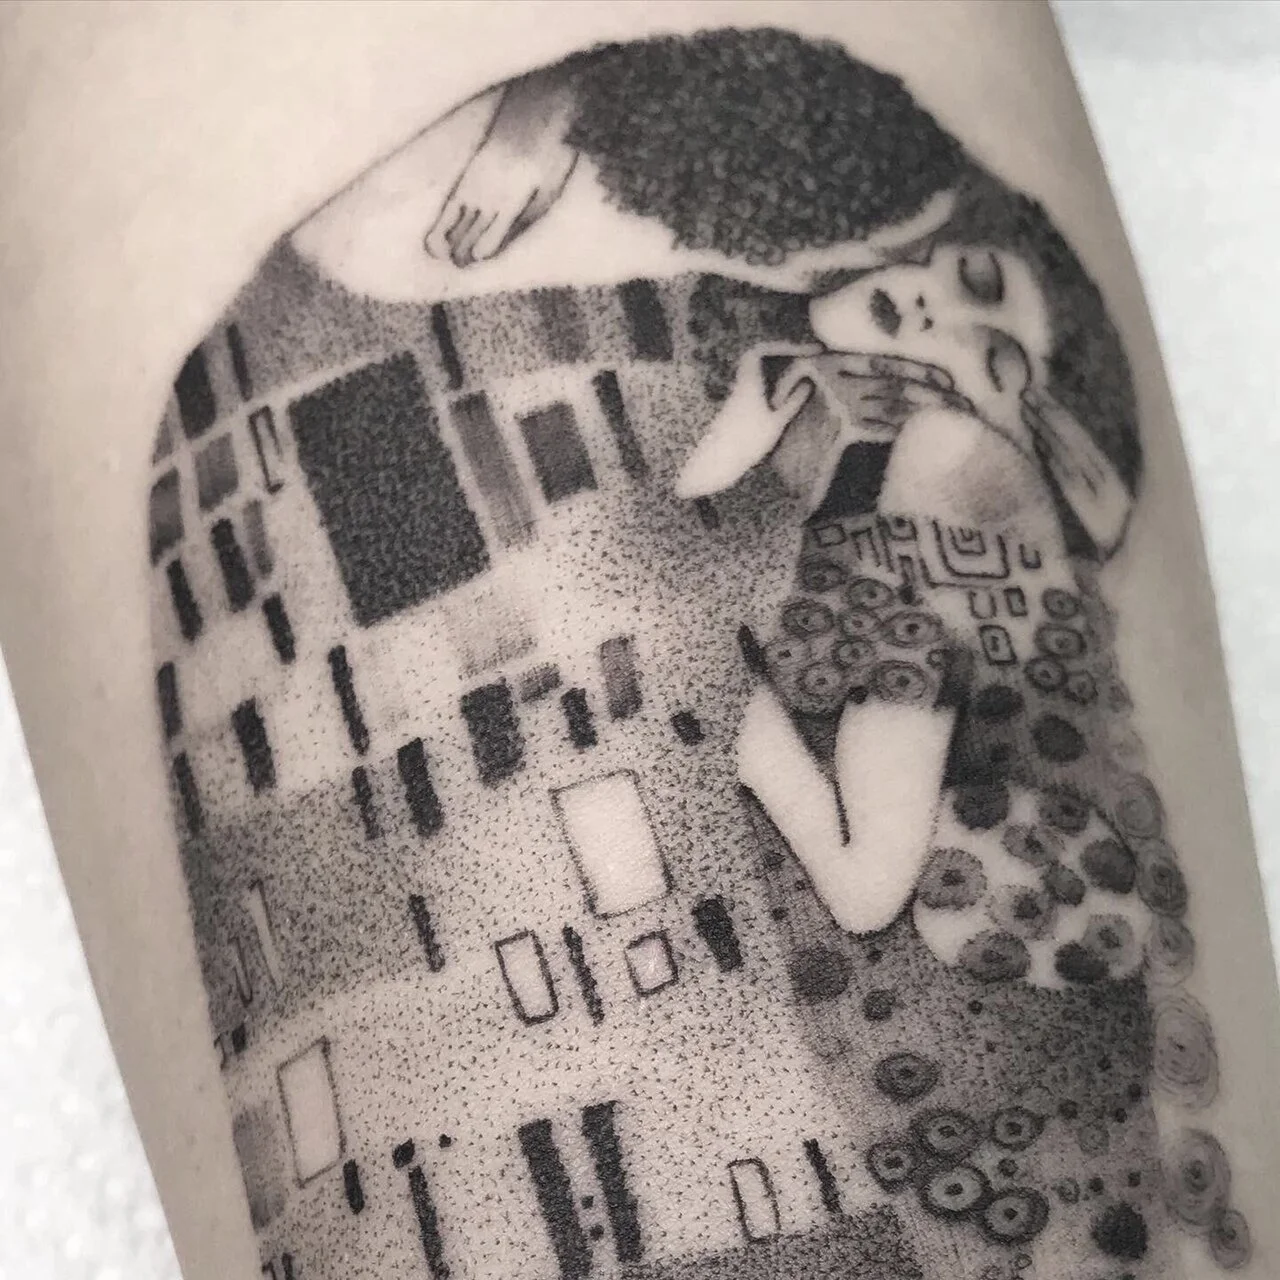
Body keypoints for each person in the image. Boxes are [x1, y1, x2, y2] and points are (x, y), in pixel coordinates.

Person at [0, 8, 1275, 1280]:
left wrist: (748, 719)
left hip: (926, 978)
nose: (938, 308)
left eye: (986, 350)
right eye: (972, 282)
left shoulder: (929, 512)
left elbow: (863, 866)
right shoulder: (823, 408)